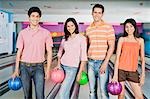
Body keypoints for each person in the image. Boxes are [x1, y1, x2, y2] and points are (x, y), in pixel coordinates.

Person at [12, 7, 53, 99]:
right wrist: (16, 70)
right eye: (33, 16)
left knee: (40, 96)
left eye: (37, 16)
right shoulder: (22, 33)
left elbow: (49, 52)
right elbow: (19, 52)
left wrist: (48, 69)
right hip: (24, 67)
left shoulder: (46, 33)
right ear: (29, 17)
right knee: (27, 96)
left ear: (40, 18)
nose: (35, 18)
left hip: (39, 67)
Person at [86, 4, 115, 99]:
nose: (97, 14)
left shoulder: (108, 27)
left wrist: (105, 63)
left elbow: (111, 46)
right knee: (92, 92)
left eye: (99, 13)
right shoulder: (88, 29)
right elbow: (88, 46)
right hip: (90, 63)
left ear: (102, 14)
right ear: (92, 13)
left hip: (102, 62)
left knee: (103, 92)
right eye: (95, 12)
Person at [112, 18, 145, 99]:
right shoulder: (122, 39)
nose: (129, 29)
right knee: (121, 96)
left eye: (131, 26)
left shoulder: (140, 41)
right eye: (126, 27)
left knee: (139, 97)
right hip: (121, 70)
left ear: (134, 27)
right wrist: (115, 74)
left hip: (133, 71)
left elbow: (143, 59)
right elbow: (117, 57)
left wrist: (143, 74)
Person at [56, 18, 87, 99]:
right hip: (62, 66)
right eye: (68, 26)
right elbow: (59, 53)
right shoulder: (65, 38)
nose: (70, 28)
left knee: (62, 93)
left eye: (72, 25)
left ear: (75, 26)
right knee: (65, 92)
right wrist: (58, 65)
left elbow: (83, 57)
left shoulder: (82, 38)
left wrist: (80, 72)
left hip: (72, 69)